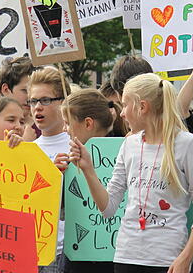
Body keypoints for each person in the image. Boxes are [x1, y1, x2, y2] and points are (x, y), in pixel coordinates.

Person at [69, 73, 193, 272]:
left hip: (168, 260)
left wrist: (186, 257)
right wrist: (88, 170)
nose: (121, 113)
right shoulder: (129, 144)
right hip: (126, 257)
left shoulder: (186, 144)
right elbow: (108, 208)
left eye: (125, 104)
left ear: (142, 107)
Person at [60, 89, 125, 273]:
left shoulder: (125, 151)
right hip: (79, 258)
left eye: (67, 123)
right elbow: (62, 211)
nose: (64, 130)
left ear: (88, 123)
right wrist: (57, 176)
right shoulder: (69, 160)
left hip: (114, 260)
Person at [29, 68, 71, 273]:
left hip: (65, 252)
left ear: (63, 102)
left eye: (45, 100)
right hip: (31, 252)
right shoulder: (27, 150)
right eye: (33, 101)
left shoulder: (79, 147)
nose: (37, 108)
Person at [0, 56, 36, 139]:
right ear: (5, 89)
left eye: (34, 91)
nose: (31, 97)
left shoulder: (44, 127)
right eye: (25, 90)